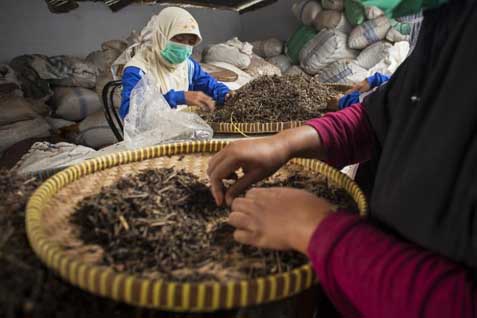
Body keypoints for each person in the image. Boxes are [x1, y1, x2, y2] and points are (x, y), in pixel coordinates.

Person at [207, 1, 477, 317]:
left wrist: (316, 229)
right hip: (358, 283)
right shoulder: (451, 17)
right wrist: (285, 143)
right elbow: (384, 116)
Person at [118, 7, 232, 120]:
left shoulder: (188, 66)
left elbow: (210, 85)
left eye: (191, 42)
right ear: (162, 36)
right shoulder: (139, 69)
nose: (184, 46)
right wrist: (179, 97)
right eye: (179, 39)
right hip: (148, 135)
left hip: (178, 127)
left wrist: (225, 94)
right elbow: (130, 113)